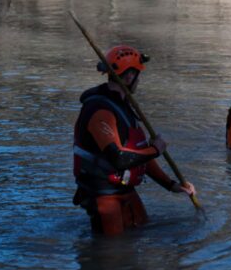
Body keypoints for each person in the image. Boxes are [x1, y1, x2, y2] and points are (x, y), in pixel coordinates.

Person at [72, 45, 196, 236]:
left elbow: (139, 155)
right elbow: (119, 159)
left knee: (141, 233)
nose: (139, 80)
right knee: (111, 253)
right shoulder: (100, 111)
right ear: (129, 77)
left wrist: (171, 185)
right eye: (138, 74)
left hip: (124, 190)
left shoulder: (124, 107)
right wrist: (156, 149)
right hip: (104, 194)